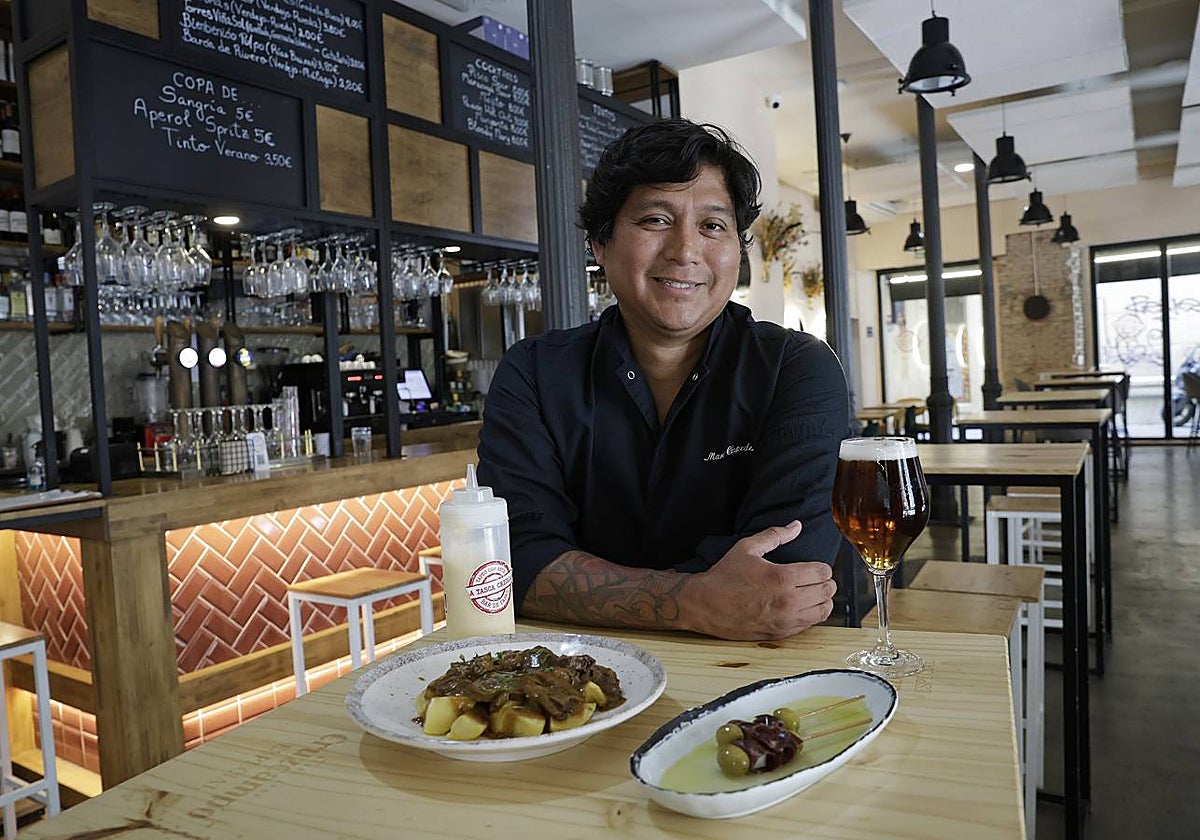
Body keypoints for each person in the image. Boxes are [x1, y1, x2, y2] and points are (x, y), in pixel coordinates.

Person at [477, 119, 850, 641]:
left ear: (737, 252)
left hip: (766, 680)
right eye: (656, 219)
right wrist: (693, 601)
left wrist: (594, 584)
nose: (685, 249)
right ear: (600, 244)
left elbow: (785, 575)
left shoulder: (796, 368)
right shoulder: (534, 374)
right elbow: (518, 563)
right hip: (582, 684)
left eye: (713, 226)